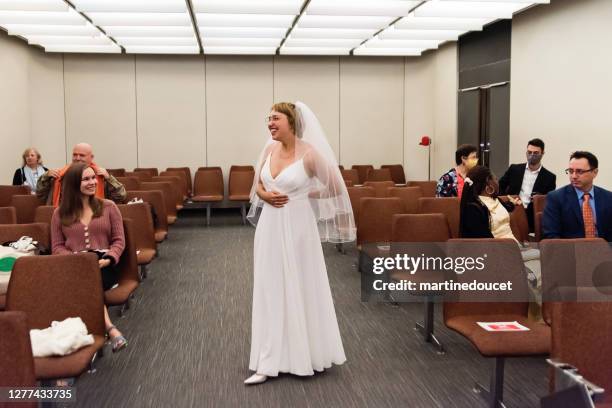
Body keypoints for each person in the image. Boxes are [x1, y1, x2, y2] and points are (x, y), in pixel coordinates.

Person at [244, 102, 356, 385]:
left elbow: (335, 186)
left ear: (291, 122)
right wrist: (266, 196)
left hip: (298, 227)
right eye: (268, 118)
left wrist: (304, 195)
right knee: (271, 287)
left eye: (275, 118)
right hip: (270, 226)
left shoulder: (309, 154)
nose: (270, 123)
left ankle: (304, 355)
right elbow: (257, 184)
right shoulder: (269, 149)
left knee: (299, 283)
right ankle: (268, 360)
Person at [50, 162, 128, 352]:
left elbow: (119, 241)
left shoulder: (108, 207)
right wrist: (76, 261)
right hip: (73, 265)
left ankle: (101, 332)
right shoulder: (59, 214)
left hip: (104, 265)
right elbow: (57, 246)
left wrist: (108, 259)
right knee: (81, 281)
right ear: (74, 184)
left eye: (93, 177)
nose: (93, 182)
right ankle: (110, 328)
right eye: (86, 179)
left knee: (85, 282)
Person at [543, 151, 612, 241]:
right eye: (571, 171)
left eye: (580, 171)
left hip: (604, 251)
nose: (574, 176)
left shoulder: (608, 198)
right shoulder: (555, 198)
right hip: (570, 252)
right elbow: (551, 235)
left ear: (594, 172)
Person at [37, 143, 126, 206]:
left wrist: (109, 178)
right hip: (65, 215)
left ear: (91, 157)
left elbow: (120, 196)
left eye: (82, 155)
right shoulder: (60, 174)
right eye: (75, 155)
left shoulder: (101, 176)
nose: (77, 158)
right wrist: (46, 177)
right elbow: (40, 194)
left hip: (94, 216)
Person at [498, 138, 556, 231]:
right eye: (529, 152)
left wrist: (539, 197)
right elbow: (500, 185)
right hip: (512, 211)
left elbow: (548, 200)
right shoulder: (514, 169)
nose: (532, 155)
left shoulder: (549, 177)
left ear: (542, 153)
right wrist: (505, 201)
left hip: (532, 215)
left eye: (536, 153)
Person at [459, 165, 521, 241]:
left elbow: (506, 207)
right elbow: (485, 241)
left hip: (512, 246)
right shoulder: (473, 209)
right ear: (489, 182)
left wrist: (513, 203)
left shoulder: (495, 199)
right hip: (495, 250)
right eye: (495, 178)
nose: (497, 181)